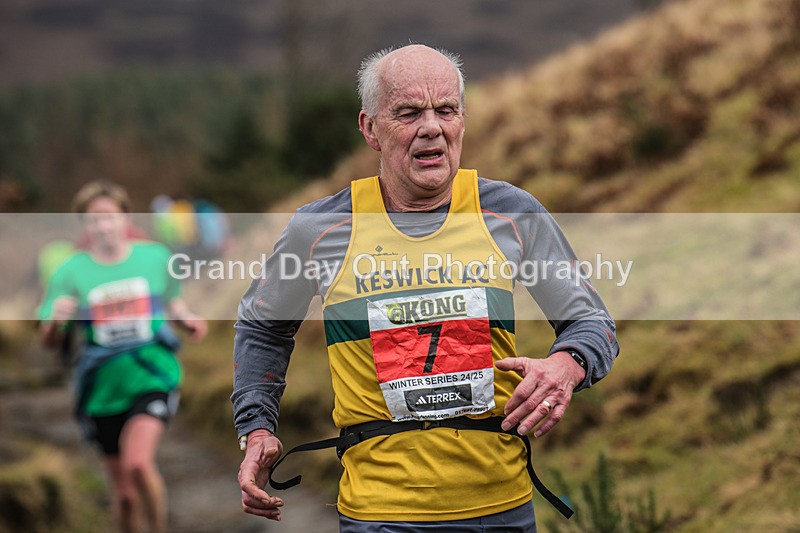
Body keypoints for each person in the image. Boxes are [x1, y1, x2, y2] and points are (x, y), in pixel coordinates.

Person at [233, 44, 619, 532]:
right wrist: (257, 426)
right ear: (370, 128)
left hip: (498, 507)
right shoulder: (320, 229)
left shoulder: (511, 213)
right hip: (380, 513)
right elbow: (262, 327)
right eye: (409, 112)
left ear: (463, 119)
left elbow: (594, 324)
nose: (431, 127)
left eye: (446, 110)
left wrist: (568, 365)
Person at [38, 181, 208, 533]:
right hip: (101, 388)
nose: (102, 227)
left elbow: (171, 299)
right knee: (124, 493)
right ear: (83, 227)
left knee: (137, 464)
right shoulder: (70, 271)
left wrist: (186, 318)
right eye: (92, 220)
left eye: (108, 217)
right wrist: (57, 320)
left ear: (125, 218)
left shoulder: (155, 257)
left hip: (152, 374)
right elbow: (49, 339)